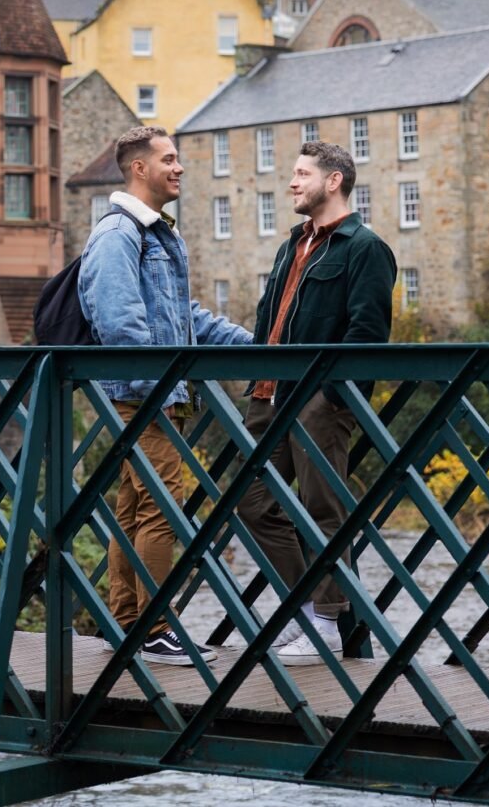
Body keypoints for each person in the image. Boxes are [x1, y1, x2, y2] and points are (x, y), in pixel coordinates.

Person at [78, 126, 251, 665]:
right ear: (139, 168)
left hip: (152, 390)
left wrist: (257, 344)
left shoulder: (154, 233)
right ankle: (152, 630)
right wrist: (159, 389)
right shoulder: (119, 234)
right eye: (169, 160)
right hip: (142, 393)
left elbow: (184, 316)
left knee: (134, 509)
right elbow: (119, 322)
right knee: (161, 506)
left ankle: (125, 623)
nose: (179, 168)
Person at [238, 140, 396, 663]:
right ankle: (303, 610)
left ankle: (325, 626)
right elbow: (270, 320)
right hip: (267, 393)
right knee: (252, 502)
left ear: (334, 181)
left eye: (302, 174)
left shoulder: (363, 247)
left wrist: (331, 399)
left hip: (317, 400)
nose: (291, 182)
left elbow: (368, 334)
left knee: (322, 507)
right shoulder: (291, 245)